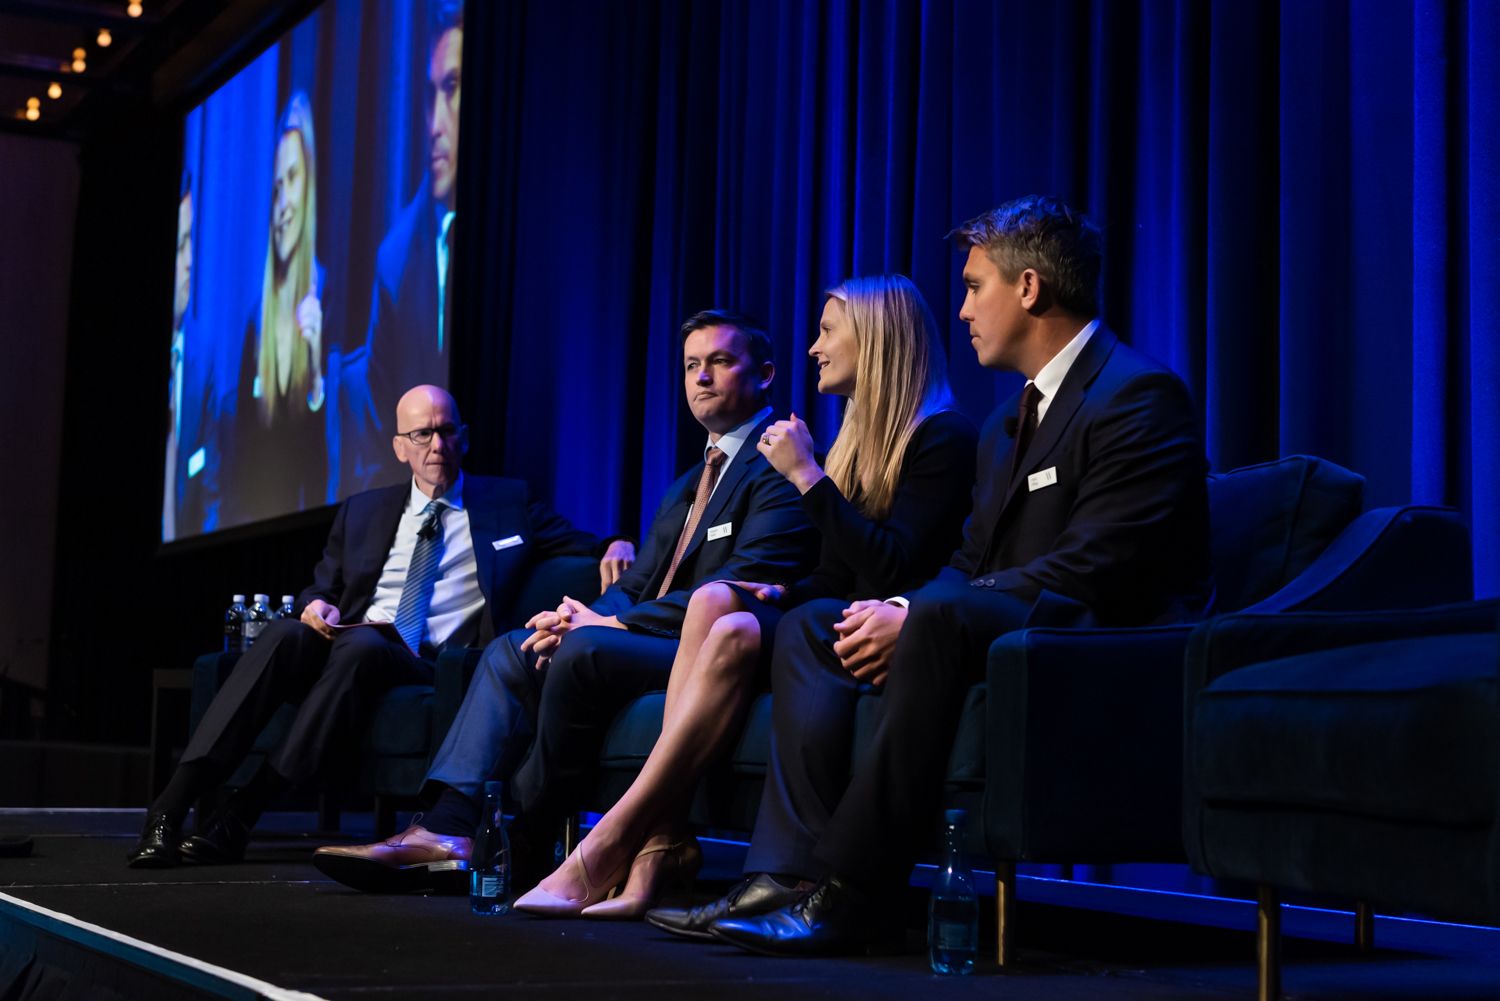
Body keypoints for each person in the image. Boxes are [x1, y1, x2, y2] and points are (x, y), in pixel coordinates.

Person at [653, 195, 1212, 953]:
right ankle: (786, 877)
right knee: (820, 622)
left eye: (975, 286)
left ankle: (851, 893)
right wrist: (891, 604)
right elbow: (967, 560)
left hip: (1092, 633)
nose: (962, 309)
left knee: (937, 616)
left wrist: (919, 613)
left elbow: (1095, 567)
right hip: (999, 619)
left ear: (1028, 289)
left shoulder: (1138, 396)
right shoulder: (1007, 423)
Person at [514, 275, 977, 918]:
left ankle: (616, 845)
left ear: (874, 341)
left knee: (713, 610)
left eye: (827, 331)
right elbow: (834, 577)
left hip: (879, 633)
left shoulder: (942, 437)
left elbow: (894, 566)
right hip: (822, 614)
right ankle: (658, 849)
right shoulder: (852, 446)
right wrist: (780, 589)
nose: (814, 348)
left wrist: (809, 478)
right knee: (719, 608)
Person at [312, 310, 820, 894]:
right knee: (514, 647)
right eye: (691, 366)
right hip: (649, 636)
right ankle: (445, 829)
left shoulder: (778, 468)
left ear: (766, 375)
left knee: (583, 650)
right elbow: (639, 582)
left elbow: (739, 586)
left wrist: (608, 623)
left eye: (721, 362)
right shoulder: (689, 482)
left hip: (711, 654)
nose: (701, 378)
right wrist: (577, 612)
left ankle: (519, 844)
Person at [128, 385, 602, 868]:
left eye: (445, 432)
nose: (435, 445)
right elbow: (321, 588)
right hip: (346, 644)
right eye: (421, 434)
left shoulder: (507, 503)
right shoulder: (365, 510)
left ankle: (243, 811)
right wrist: (317, 608)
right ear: (399, 446)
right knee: (287, 633)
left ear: (464, 438)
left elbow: (586, 543)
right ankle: (169, 808)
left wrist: (618, 546)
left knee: (364, 647)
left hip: (425, 662)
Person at [345, 0, 464, 492]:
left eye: (453, 90)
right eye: (430, 95)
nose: (434, 123)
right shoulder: (394, 259)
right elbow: (377, 446)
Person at [227, 91, 329, 522]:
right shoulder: (257, 321)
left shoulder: (331, 297)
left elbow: (331, 465)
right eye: (275, 188)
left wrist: (318, 373)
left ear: (309, 186)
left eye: (293, 178)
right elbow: (238, 462)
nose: (283, 203)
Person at [162, 172, 222, 541]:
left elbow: (214, 497)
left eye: (191, 244)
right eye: (180, 246)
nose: (188, 263)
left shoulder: (203, 364)